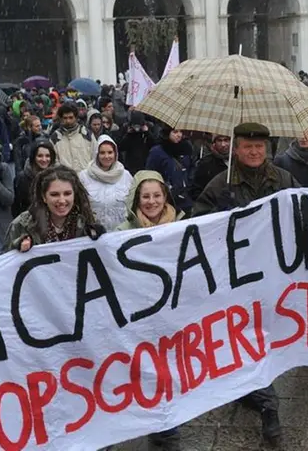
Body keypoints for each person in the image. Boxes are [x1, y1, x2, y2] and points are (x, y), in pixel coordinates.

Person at [192, 122, 293, 447]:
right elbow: (200, 222)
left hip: (275, 275)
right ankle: (269, 409)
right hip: (237, 280)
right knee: (248, 339)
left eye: (259, 147)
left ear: (267, 149)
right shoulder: (221, 185)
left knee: (266, 339)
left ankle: (254, 389)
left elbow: (302, 214)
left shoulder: (283, 180)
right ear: (236, 149)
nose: (253, 152)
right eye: (247, 147)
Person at [114, 170, 184, 450]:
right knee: (144, 372)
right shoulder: (120, 233)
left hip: (173, 315)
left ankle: (168, 428)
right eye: (146, 196)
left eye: (157, 195)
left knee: (170, 372)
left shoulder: (183, 226)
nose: (152, 202)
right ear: (136, 199)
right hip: (138, 316)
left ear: (165, 196)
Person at [4, 166, 104, 252]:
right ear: (44, 197)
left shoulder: (85, 222)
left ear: (74, 194)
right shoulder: (22, 225)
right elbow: (3, 263)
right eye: (54, 194)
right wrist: (17, 247)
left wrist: (101, 237)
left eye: (67, 194)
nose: (62, 200)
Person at [78, 135, 133, 230]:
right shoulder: (84, 176)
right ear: (96, 154)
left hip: (121, 233)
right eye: (102, 153)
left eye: (110, 152)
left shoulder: (125, 175)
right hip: (95, 234)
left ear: (115, 154)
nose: (106, 156)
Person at [146, 125, 194, 215]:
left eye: (181, 132)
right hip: (165, 200)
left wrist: (189, 185)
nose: (179, 135)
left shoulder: (187, 148)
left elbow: (191, 169)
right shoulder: (157, 152)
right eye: (175, 132)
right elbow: (150, 174)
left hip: (185, 199)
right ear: (167, 133)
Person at [13, 141, 57, 217]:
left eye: (47, 156)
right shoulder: (23, 177)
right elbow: (17, 206)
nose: (44, 159)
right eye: (40, 156)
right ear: (33, 157)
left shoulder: (58, 175)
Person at [50, 103, 93, 170]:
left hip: (86, 177)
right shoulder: (55, 137)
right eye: (65, 118)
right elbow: (53, 161)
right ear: (61, 119)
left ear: (76, 117)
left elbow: (95, 155)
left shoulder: (86, 134)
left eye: (71, 117)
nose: (68, 121)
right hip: (64, 178)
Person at [190, 134, 230, 200]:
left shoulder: (239, 161)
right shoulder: (205, 162)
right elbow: (196, 189)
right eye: (219, 140)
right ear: (214, 143)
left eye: (226, 140)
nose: (223, 144)